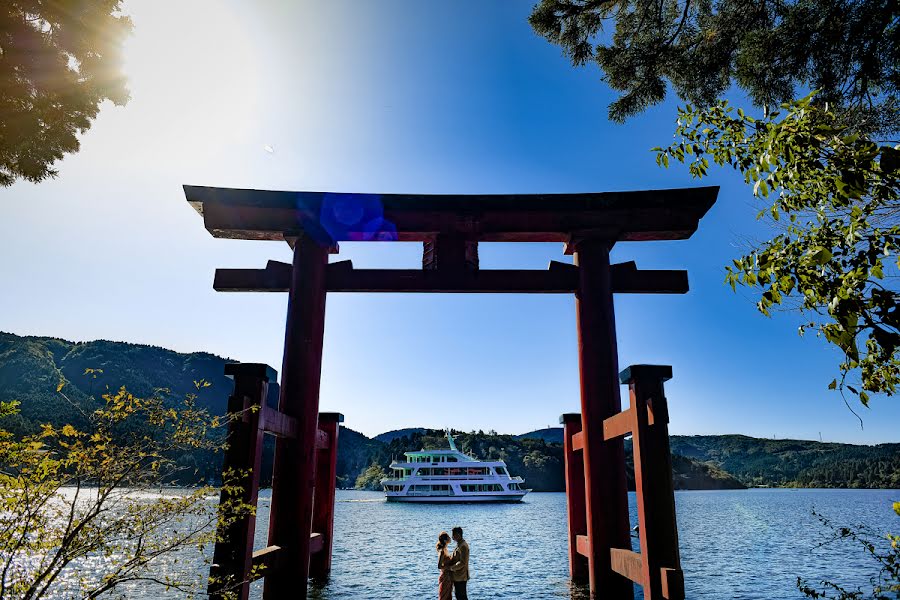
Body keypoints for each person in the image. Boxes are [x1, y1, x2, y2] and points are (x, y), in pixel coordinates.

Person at [449, 526, 470, 600]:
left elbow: (462, 562)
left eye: (453, 535)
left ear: (458, 535)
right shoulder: (459, 544)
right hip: (458, 577)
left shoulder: (463, 546)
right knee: (459, 596)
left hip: (461, 577)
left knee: (461, 597)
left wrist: (451, 568)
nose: (452, 537)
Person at [437, 531, 453, 600]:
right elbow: (439, 566)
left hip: (448, 576)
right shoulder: (442, 551)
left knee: (448, 597)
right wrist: (449, 567)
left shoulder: (445, 549)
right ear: (445, 540)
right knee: (444, 597)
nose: (450, 538)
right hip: (445, 577)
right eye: (448, 537)